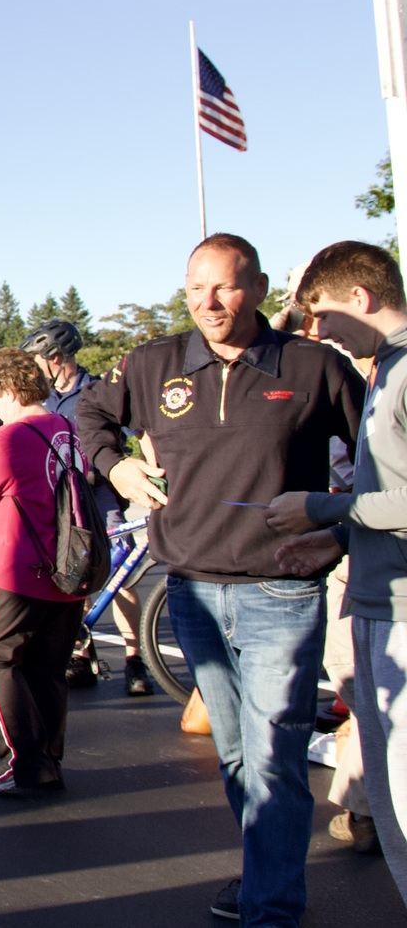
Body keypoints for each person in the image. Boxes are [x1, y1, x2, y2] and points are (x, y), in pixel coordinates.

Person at [77, 232, 364, 925]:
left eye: (226, 286)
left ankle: (272, 906)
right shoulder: (152, 364)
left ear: (260, 288)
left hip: (282, 591)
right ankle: (263, 870)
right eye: (195, 286)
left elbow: (386, 460)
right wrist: (117, 467)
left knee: (274, 758)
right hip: (191, 593)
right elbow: (90, 415)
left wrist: (340, 531)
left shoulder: (315, 364)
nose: (208, 301)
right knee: (236, 756)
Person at [265, 241, 407, 897]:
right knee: (388, 797)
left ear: (362, 298)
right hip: (376, 604)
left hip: (400, 611)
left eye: (320, 313)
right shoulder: (382, 370)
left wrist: (324, 506)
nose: (315, 331)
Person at [0, 348, 90, 795]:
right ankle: (46, 762)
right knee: (46, 668)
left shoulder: (9, 439)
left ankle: (21, 762)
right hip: (67, 567)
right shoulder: (66, 428)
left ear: (12, 391)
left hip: (17, 568)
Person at [20, 320, 151, 696]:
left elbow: (138, 434)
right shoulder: (42, 399)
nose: (32, 367)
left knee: (119, 575)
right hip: (62, 497)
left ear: (56, 358)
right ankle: (83, 653)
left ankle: (134, 658)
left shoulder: (98, 391)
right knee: (75, 572)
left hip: (100, 493)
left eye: (36, 360)